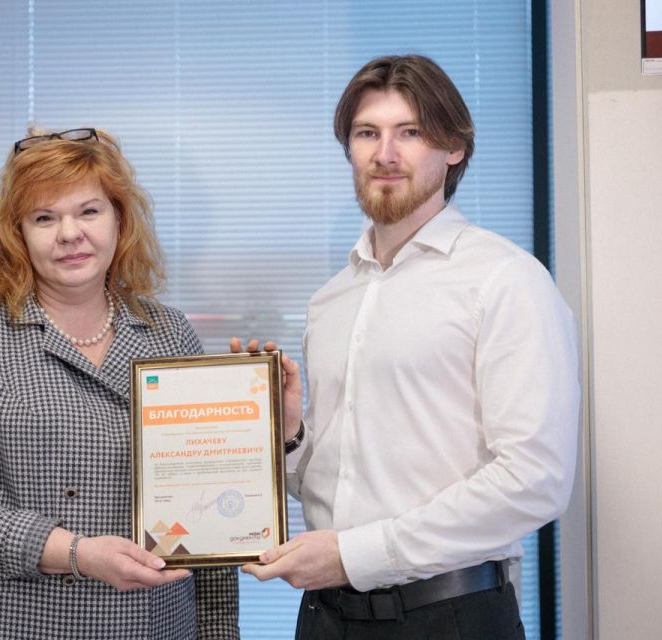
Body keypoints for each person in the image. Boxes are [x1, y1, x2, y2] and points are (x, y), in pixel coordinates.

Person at [237, 55, 580, 639]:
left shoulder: (505, 281)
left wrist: (354, 556)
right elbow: (340, 483)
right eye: (367, 133)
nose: (385, 153)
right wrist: (292, 435)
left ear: (455, 148)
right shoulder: (331, 300)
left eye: (411, 132)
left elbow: (534, 479)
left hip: (451, 617)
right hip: (324, 618)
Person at [0, 127, 239, 639]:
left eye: (88, 211)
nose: (69, 233)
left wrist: (219, 631)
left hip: (146, 626)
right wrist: (76, 553)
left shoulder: (169, 332)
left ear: (119, 219)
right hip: (0, 625)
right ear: (17, 234)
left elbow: (208, 507)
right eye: (44, 217)